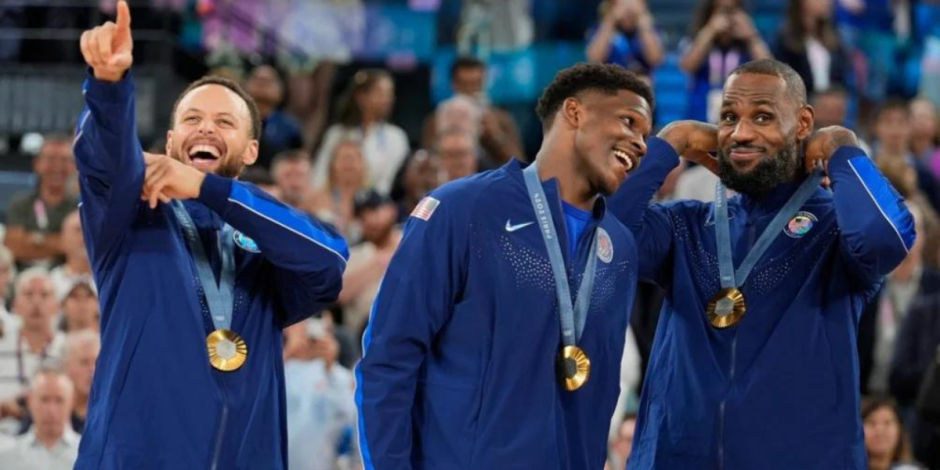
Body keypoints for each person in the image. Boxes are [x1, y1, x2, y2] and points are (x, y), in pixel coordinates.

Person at [73, 4, 348, 469]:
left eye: (225, 123)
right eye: (193, 118)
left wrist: (209, 189)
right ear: (171, 138)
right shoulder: (128, 212)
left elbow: (329, 261)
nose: (206, 128)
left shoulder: (266, 247)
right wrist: (108, 85)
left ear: (251, 148)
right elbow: (103, 157)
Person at [608, 59, 916, 469]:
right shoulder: (688, 227)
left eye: (764, 116)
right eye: (729, 117)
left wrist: (841, 147)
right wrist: (673, 141)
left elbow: (887, 238)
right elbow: (603, 233)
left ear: (804, 123)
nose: (741, 132)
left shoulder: (834, 229)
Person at [356, 63, 654, 469]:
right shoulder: (462, 209)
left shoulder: (618, 247)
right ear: (575, 112)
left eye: (646, 135)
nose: (640, 143)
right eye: (629, 122)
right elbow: (389, 358)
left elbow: (600, 393)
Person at [313, 69, 409, 196]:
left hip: (376, 207)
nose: (387, 100)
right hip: (333, 204)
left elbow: (388, 182)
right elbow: (319, 176)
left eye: (389, 94)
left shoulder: (396, 137)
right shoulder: (336, 134)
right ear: (361, 97)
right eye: (380, 93)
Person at [679, 0, 771, 123]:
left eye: (731, 10)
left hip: (740, 115)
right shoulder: (700, 38)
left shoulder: (748, 44)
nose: (726, 17)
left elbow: (770, 70)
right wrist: (710, 31)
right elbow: (687, 66)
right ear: (710, 11)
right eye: (721, 10)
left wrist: (751, 35)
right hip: (701, 113)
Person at [3, 135, 78, 269]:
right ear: (36, 164)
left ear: (74, 166)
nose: (57, 165)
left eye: (64, 160)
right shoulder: (20, 204)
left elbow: (77, 247)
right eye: (50, 159)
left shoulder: (80, 208)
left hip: (65, 281)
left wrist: (34, 240)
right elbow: (14, 246)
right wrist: (61, 242)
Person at [0, 368, 80, 470]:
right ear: (29, 401)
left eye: (59, 400)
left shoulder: (93, 454)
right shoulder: (5, 458)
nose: (51, 410)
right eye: (44, 400)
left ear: (72, 402)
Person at [585, 0, 664, 74]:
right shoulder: (599, 28)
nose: (627, 12)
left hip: (641, 82)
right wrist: (610, 22)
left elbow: (656, 60)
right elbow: (594, 60)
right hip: (609, 82)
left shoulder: (650, 30)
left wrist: (643, 23)